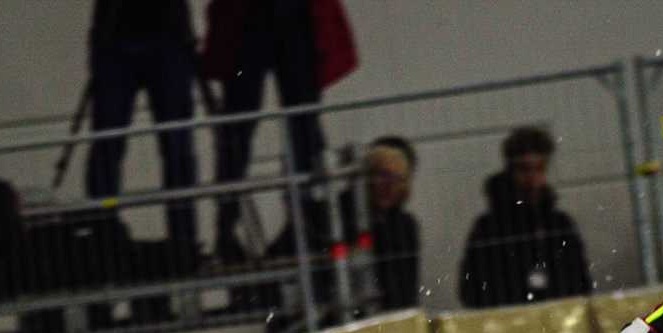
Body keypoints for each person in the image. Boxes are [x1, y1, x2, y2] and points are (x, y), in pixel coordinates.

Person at [201, 0, 357, 261]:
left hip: (287, 13)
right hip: (254, 14)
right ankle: (226, 227)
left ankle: (305, 218)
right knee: (243, 127)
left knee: (298, 122)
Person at [85, 0, 201, 273]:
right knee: (109, 147)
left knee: (176, 148)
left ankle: (182, 237)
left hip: (163, 34)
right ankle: (105, 230)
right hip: (120, 34)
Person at [458, 127, 591, 309]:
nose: (532, 178)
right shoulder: (488, 229)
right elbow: (472, 287)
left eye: (539, 169)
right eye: (525, 169)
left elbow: (580, 280)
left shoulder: (559, 224)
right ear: (511, 172)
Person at [361, 136, 420, 310]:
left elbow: (408, 289)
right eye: (383, 175)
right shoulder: (336, 217)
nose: (389, 185)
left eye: (398, 177)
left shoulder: (405, 226)